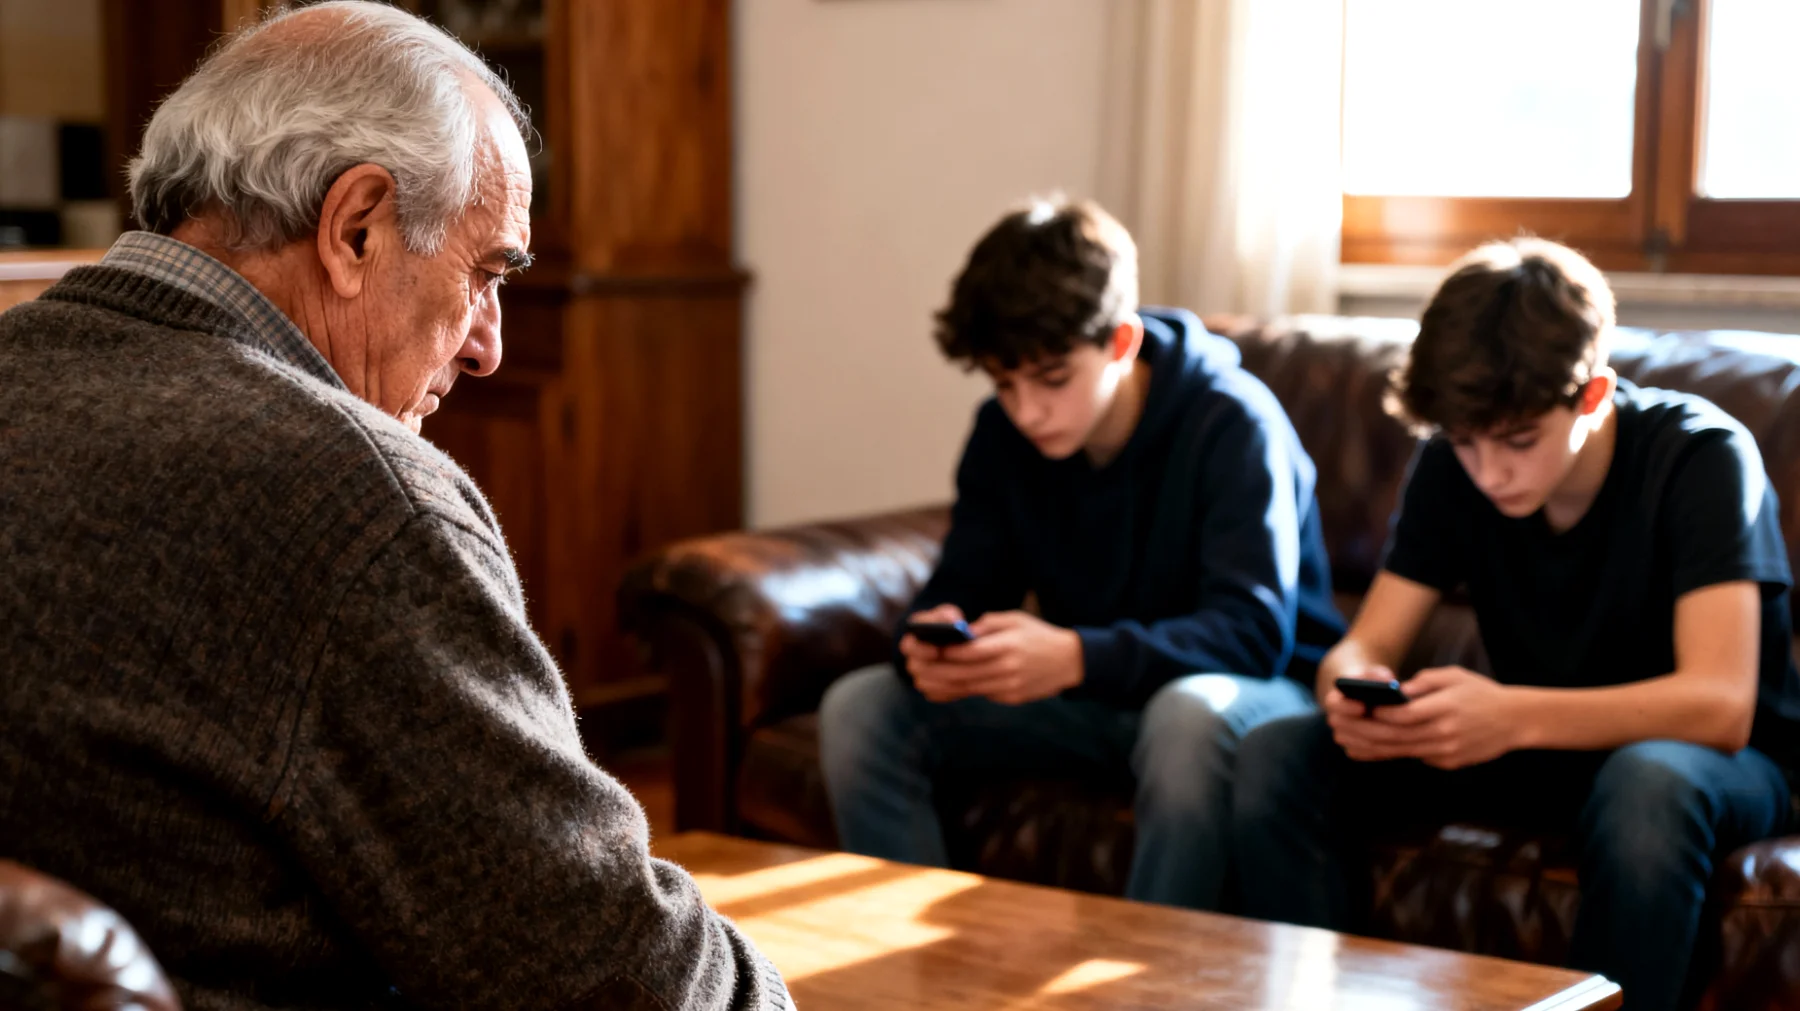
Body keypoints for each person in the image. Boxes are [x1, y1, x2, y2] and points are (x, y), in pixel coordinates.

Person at [0, 4, 788, 1009]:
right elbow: (619, 978)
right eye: (486, 272)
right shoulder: (352, 498)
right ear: (356, 227)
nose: (489, 345)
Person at [1231, 238, 1800, 1011]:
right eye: (1466, 442)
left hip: (1711, 764)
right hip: (1537, 742)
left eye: (1519, 440)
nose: (1489, 471)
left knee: (1647, 781)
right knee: (1279, 749)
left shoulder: (1702, 457)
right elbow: (1369, 640)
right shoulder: (1452, 463)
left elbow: (1719, 705)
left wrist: (1508, 715)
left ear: (1593, 394)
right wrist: (1354, 692)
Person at [818, 197, 1344, 910]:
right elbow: (965, 582)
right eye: (1004, 383)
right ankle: (916, 978)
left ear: (1121, 342)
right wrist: (936, 644)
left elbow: (1252, 635)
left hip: (1253, 698)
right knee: (863, 707)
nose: (1027, 409)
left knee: (1186, 720)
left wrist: (1074, 656)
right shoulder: (1003, 436)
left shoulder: (1233, 422)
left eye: (1052, 379)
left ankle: (1148, 986)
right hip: (1092, 696)